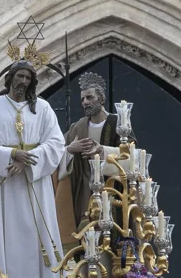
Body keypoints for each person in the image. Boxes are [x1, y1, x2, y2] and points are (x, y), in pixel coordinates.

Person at [0, 59, 66, 278]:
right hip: (8, 182)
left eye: (28, 78)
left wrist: (27, 162)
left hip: (36, 182)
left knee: (39, 231)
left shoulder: (42, 108)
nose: (23, 82)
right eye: (20, 76)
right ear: (10, 78)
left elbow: (56, 143)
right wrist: (12, 155)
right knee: (10, 235)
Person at [54, 71, 128, 238]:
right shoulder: (77, 127)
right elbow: (56, 153)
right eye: (82, 99)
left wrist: (102, 151)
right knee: (86, 239)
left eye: (89, 97)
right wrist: (70, 150)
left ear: (101, 99)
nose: (85, 102)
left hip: (112, 192)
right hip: (84, 195)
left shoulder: (118, 124)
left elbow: (131, 158)